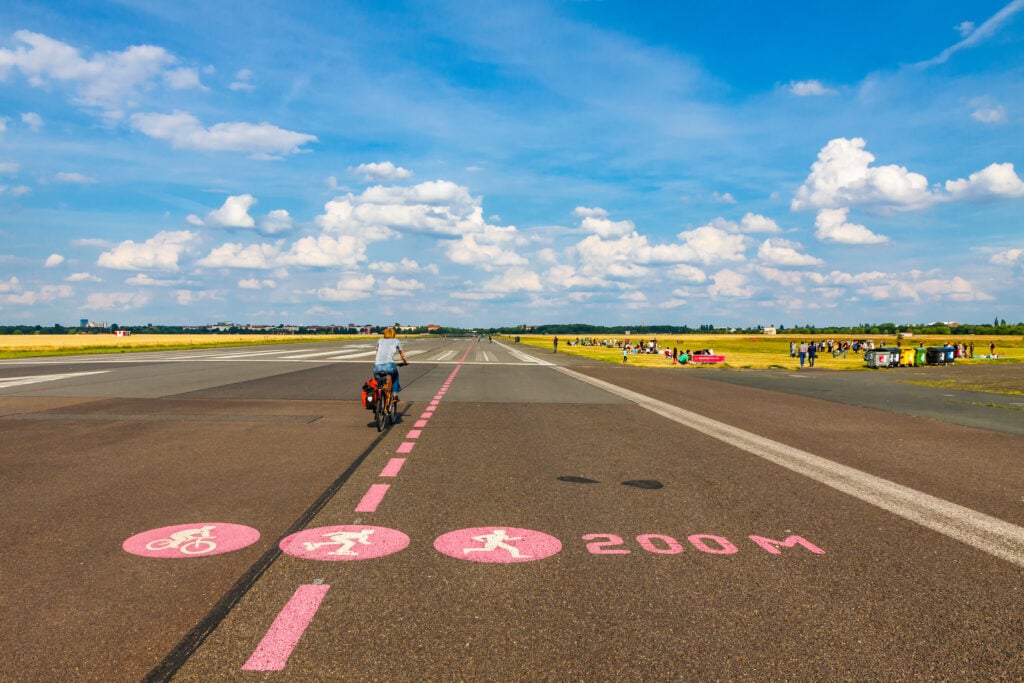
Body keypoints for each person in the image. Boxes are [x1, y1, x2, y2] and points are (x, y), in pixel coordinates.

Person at [374, 327, 408, 399]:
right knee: (395, 376)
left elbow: (376, 353)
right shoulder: (396, 341)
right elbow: (402, 354)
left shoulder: (380, 340)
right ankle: (395, 394)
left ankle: (380, 389)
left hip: (377, 366)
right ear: (393, 334)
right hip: (389, 365)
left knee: (378, 379)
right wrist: (405, 362)